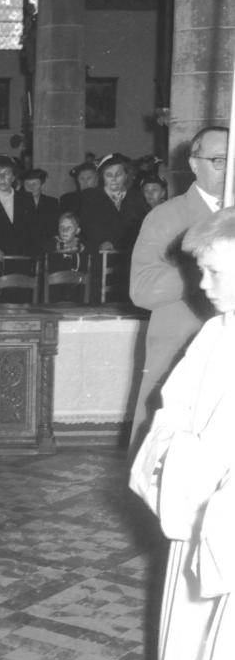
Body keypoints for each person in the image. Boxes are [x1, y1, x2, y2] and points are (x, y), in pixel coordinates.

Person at [129, 206, 235, 660]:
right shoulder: (220, 333)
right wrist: (177, 452)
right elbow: (173, 407)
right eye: (202, 271)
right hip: (202, 519)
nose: (205, 287)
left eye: (217, 272)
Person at [129, 126, 228, 451]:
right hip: (181, 343)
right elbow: (140, 290)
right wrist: (201, 268)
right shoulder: (167, 215)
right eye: (218, 160)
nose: (229, 168)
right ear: (194, 163)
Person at [78, 152, 147, 255]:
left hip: (131, 255)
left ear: (126, 175)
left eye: (118, 174)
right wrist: (101, 242)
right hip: (100, 254)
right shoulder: (90, 197)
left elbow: (142, 228)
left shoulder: (137, 198)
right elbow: (86, 227)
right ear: (102, 177)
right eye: (109, 175)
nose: (114, 179)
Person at [22, 167, 59, 255]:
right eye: (27, 184)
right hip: (23, 249)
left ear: (42, 185)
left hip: (46, 250)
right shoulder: (18, 202)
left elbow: (54, 228)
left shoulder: (52, 202)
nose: (31, 187)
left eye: (35, 184)